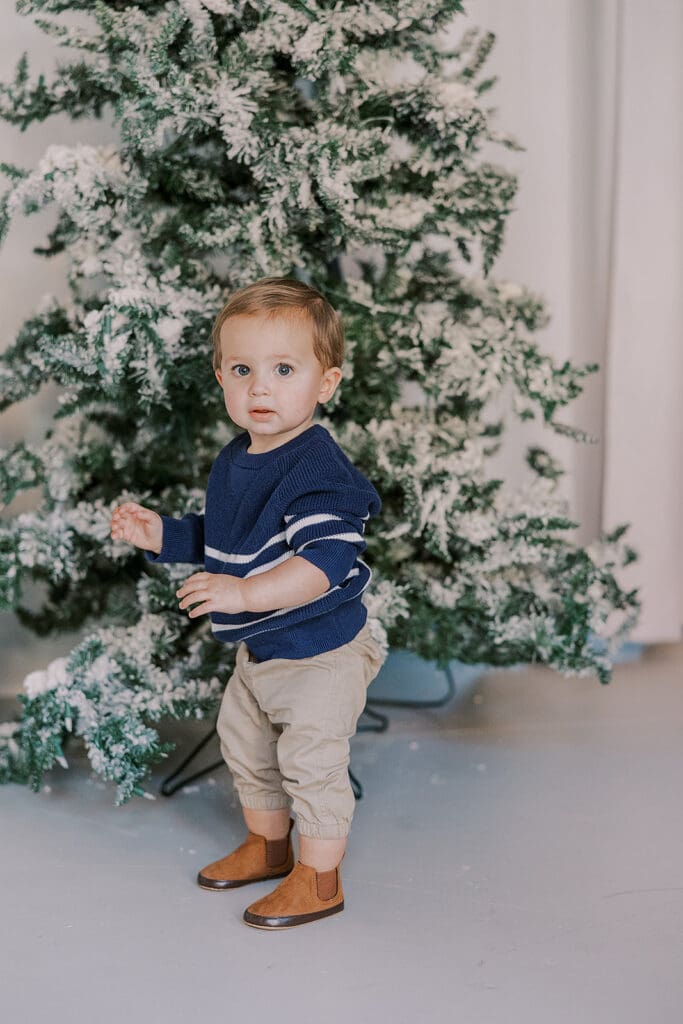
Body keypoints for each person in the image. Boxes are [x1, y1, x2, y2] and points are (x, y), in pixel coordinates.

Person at [110, 276, 384, 929]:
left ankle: (318, 879)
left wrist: (242, 593)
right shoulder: (240, 457)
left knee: (310, 762)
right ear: (221, 376)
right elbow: (229, 541)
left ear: (325, 384)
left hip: (319, 650)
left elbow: (321, 564)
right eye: (242, 369)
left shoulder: (317, 468)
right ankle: (267, 847)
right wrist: (166, 536)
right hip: (263, 646)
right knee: (246, 744)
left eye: (283, 369)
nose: (260, 387)